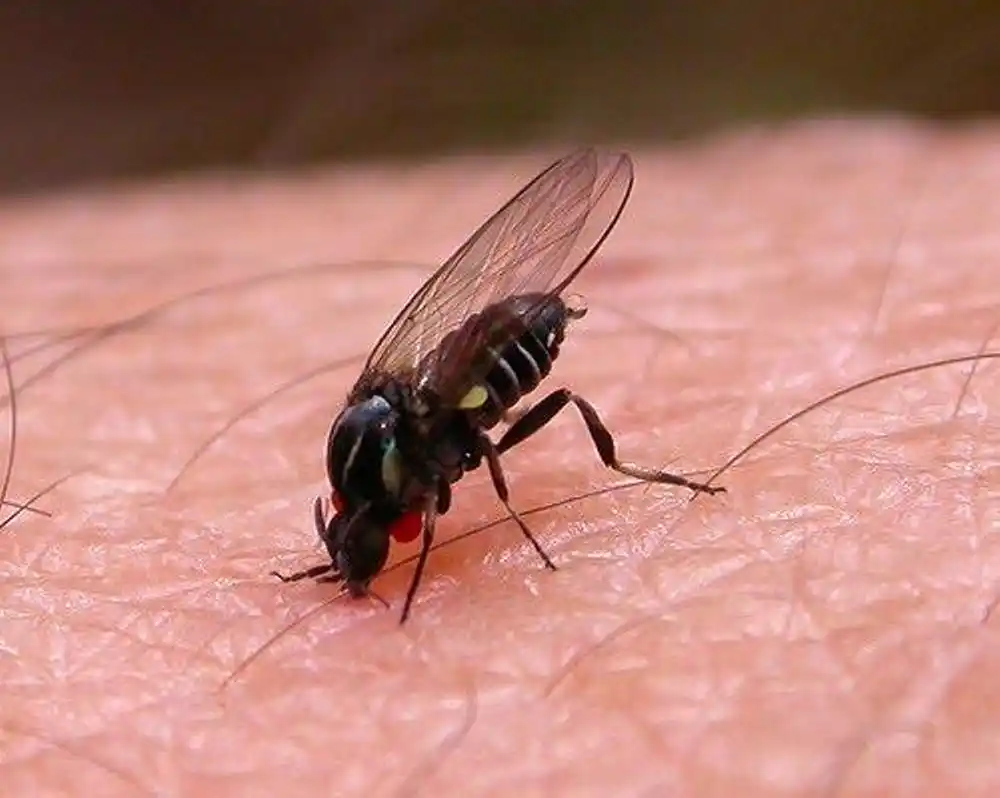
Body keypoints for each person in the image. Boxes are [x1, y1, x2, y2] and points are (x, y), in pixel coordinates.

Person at [1, 123, 995, 794]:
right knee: (492, 427)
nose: (380, 531)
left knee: (536, 409)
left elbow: (444, 477)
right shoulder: (379, 455)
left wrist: (492, 514)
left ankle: (628, 469)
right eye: (367, 537)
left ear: (377, 507)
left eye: (371, 533)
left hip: (497, 346)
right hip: (460, 375)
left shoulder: (406, 465)